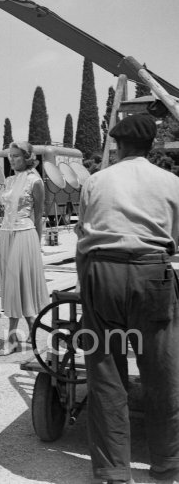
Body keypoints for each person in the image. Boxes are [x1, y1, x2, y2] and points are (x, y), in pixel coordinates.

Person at [75, 114, 179, 484]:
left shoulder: (97, 181)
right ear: (151, 145)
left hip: (102, 272)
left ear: (117, 145)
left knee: (104, 370)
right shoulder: (170, 182)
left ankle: (113, 472)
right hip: (153, 273)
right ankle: (166, 466)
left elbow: (82, 232)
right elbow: (175, 241)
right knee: (162, 370)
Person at [0, 141, 48, 355]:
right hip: (6, 234)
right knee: (12, 285)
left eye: (17, 156)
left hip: (25, 234)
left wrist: (38, 241)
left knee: (20, 284)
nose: (12, 159)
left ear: (26, 157)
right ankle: (26, 331)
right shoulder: (8, 180)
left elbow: (38, 215)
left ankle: (14, 337)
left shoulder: (35, 181)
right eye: (10, 155)